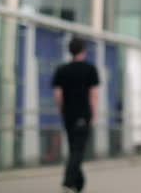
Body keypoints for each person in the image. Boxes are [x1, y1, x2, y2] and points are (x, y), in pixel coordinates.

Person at [52, 37, 100, 193]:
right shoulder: (90, 69)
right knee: (78, 150)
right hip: (83, 115)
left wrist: (62, 110)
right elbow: (94, 94)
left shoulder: (62, 70)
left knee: (74, 148)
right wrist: (93, 114)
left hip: (68, 115)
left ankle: (79, 183)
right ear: (83, 50)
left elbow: (58, 95)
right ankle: (68, 182)